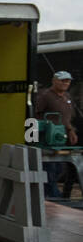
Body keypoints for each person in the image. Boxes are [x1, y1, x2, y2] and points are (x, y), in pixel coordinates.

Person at [34, 70, 78, 200]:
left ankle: (56, 193)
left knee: (60, 167)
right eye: (63, 80)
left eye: (68, 81)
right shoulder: (45, 96)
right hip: (46, 138)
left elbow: (67, 118)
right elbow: (35, 115)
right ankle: (54, 196)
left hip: (61, 137)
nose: (66, 83)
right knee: (49, 167)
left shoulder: (68, 97)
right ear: (54, 80)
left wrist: (71, 130)